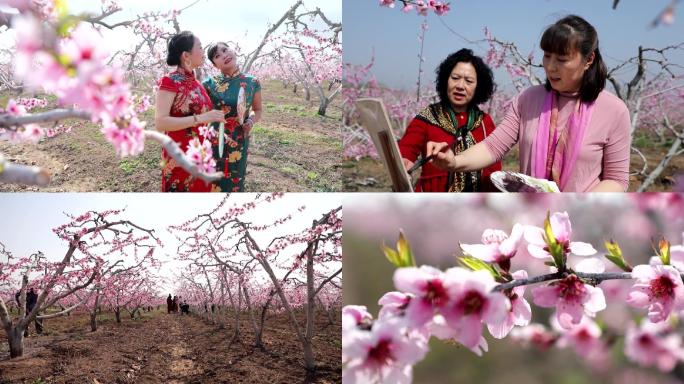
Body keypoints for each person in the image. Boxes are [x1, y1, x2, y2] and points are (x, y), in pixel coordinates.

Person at [427, 15, 631, 192]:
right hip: (530, 216)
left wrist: (575, 206)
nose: (550, 67)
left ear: (588, 59)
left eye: (562, 59)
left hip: (582, 218)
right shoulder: (528, 100)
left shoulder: (613, 111)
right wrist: (455, 161)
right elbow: (494, 146)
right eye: (547, 56)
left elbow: (616, 180)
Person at [399, 48, 501, 192]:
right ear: (446, 79)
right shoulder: (429, 116)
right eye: (455, 78)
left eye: (469, 81)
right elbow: (406, 150)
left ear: (478, 86)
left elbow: (494, 169)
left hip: (476, 206)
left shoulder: (484, 122)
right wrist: (403, 164)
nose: (460, 86)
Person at [155, 31, 226, 192]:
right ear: (186, 55)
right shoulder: (169, 81)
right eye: (200, 47)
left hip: (201, 154)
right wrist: (200, 118)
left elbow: (203, 119)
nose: (203, 51)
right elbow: (160, 123)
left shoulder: (197, 83)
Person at [203, 42, 263, 192]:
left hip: (239, 139)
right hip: (215, 139)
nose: (224, 55)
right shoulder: (208, 84)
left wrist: (251, 120)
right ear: (215, 65)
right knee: (212, 181)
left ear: (232, 50)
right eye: (217, 56)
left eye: (225, 50)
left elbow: (258, 109)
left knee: (235, 181)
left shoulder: (252, 82)